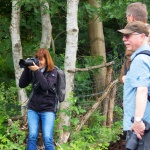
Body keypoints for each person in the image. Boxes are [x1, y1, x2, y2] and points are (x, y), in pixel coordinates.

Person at [118, 21, 150, 150]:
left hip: (141, 128)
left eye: (128, 36)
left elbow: (142, 90)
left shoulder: (140, 60)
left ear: (142, 36)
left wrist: (137, 121)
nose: (124, 39)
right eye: (124, 36)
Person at [19, 48, 58, 150]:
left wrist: (37, 71)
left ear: (47, 59)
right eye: (37, 59)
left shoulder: (53, 72)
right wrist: (27, 69)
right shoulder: (34, 71)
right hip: (33, 108)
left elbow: (46, 86)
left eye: (41, 59)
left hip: (48, 109)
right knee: (32, 136)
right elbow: (22, 84)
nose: (39, 62)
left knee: (47, 137)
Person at [120, 2, 148, 83]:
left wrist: (127, 79)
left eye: (127, 17)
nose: (124, 39)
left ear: (131, 17)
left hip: (137, 84)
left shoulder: (136, 35)